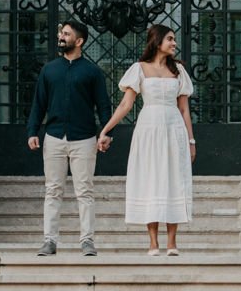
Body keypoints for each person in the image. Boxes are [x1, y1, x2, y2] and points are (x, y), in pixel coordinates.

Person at [97, 24, 195, 257]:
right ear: (157, 41)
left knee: (174, 179)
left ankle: (172, 242)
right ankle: (153, 242)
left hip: (174, 128)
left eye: (174, 39)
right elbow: (125, 105)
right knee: (150, 178)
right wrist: (105, 130)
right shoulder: (138, 69)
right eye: (170, 39)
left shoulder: (179, 70)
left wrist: (191, 141)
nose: (174, 43)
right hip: (148, 128)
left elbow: (184, 109)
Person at [27, 18, 111, 258]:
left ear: (79, 40)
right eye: (61, 33)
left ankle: (87, 241)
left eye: (66, 34)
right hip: (53, 138)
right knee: (53, 190)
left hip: (84, 139)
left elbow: (103, 106)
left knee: (84, 191)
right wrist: (32, 131)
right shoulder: (49, 70)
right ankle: (49, 241)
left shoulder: (92, 72)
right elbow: (39, 103)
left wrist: (107, 133)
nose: (61, 37)